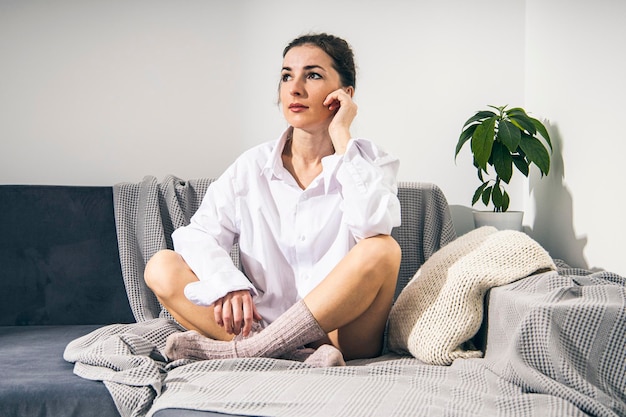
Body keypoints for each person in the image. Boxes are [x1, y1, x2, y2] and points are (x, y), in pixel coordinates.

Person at [144, 33, 401, 366]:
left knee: (382, 247)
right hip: (264, 324)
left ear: (345, 95)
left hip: (343, 335)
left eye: (313, 75)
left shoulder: (369, 163)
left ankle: (250, 351)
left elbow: (372, 224)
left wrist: (341, 136)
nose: (294, 89)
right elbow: (197, 235)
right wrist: (227, 284)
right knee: (161, 266)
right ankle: (288, 351)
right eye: (286, 76)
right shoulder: (251, 167)